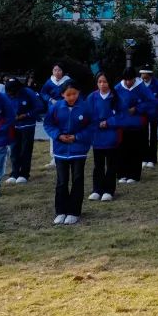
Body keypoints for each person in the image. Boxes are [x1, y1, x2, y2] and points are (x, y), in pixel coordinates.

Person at [43, 81, 94, 225]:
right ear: (62, 95)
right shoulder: (56, 107)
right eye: (68, 95)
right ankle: (60, 211)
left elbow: (92, 125)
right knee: (62, 181)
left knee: (77, 179)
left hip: (79, 149)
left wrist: (77, 137)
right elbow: (48, 124)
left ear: (79, 93)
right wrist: (58, 135)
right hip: (60, 150)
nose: (72, 97)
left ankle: (74, 212)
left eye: (74, 94)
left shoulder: (86, 107)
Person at [86, 73, 124, 202]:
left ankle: (109, 190)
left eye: (105, 82)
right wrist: (97, 123)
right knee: (98, 165)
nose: (102, 84)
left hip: (112, 134)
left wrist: (109, 122)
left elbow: (122, 115)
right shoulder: (92, 97)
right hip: (97, 135)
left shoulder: (116, 97)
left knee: (111, 165)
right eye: (100, 82)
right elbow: (87, 115)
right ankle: (97, 189)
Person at [116, 69, 152, 184]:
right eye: (126, 80)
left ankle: (134, 175)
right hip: (122, 123)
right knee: (122, 149)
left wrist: (137, 108)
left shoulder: (141, 87)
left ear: (134, 79)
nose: (128, 83)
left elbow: (150, 101)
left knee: (135, 149)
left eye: (130, 80)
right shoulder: (118, 88)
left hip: (136, 123)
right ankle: (122, 174)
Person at [5, 77, 44, 184]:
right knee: (14, 150)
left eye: (13, 93)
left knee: (25, 150)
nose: (11, 95)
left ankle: (24, 174)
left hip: (27, 125)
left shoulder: (28, 92)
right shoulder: (6, 94)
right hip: (14, 126)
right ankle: (14, 173)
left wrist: (26, 115)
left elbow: (40, 107)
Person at [138, 68, 158, 170]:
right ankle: (144, 158)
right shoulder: (139, 83)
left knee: (153, 135)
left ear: (150, 75)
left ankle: (152, 159)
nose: (143, 77)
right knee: (143, 135)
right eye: (142, 75)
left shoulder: (157, 83)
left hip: (154, 113)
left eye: (145, 76)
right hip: (143, 113)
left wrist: (156, 103)